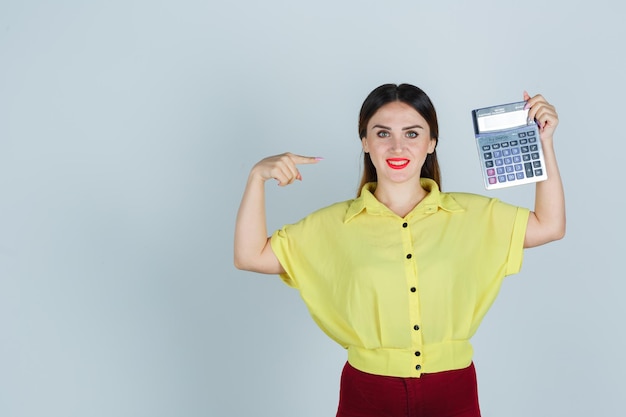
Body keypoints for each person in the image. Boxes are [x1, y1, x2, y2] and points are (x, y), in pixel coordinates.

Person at [234, 83, 565, 417]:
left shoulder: (473, 215)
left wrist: (545, 142)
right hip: (367, 391)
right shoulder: (333, 224)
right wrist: (257, 177)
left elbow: (550, 225)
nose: (396, 146)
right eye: (382, 134)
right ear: (364, 141)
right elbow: (250, 255)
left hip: (453, 389)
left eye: (412, 133)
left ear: (431, 142)